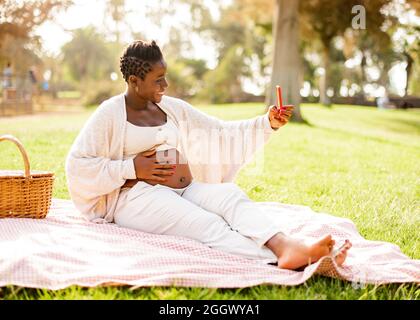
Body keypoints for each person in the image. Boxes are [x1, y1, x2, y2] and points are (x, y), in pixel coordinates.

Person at [65, 40, 351, 270]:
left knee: (230, 196)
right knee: (207, 224)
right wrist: (131, 168)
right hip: (135, 199)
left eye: (166, 78)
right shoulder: (110, 113)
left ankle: (286, 245)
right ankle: (278, 259)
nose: (165, 86)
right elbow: (78, 166)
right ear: (134, 80)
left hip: (185, 189)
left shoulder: (170, 107)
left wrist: (267, 123)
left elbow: (219, 132)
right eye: (158, 80)